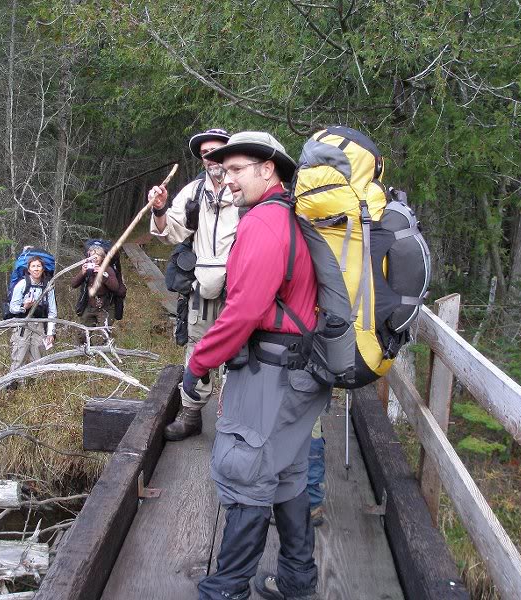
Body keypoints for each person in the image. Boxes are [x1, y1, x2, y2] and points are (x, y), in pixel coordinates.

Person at [185, 131, 330, 600]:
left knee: (246, 472)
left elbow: (244, 309)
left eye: (236, 169)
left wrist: (200, 362)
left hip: (271, 371)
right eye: (224, 170)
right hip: (300, 370)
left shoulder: (264, 223)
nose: (227, 180)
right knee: (286, 472)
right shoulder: (290, 217)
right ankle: (296, 581)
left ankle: (224, 590)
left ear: (268, 169)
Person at [148, 128, 240, 441]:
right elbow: (168, 231)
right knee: (197, 348)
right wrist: (159, 207)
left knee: (238, 354)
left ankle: (232, 419)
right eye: (205, 154)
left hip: (239, 290)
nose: (211, 158)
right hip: (201, 288)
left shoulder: (243, 189)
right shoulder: (193, 192)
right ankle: (191, 414)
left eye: (217, 152)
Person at [8, 255, 57, 383]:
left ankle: (35, 385)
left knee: (38, 355)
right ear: (28, 270)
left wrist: (51, 332)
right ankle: (14, 384)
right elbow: (12, 308)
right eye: (33, 266)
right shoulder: (22, 284)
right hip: (22, 325)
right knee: (19, 354)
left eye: (38, 266)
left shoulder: (48, 287)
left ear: (43, 269)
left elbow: (52, 311)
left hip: (40, 325)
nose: (36, 269)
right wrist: (25, 307)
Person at [71, 242, 121, 345]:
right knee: (83, 333)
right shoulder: (87, 268)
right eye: (92, 255)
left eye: (97, 255)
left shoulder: (108, 269)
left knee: (103, 335)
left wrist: (103, 275)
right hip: (89, 306)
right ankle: (85, 355)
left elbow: (115, 287)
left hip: (105, 307)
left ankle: (101, 356)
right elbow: (73, 284)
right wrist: (82, 273)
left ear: (102, 257)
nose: (95, 258)